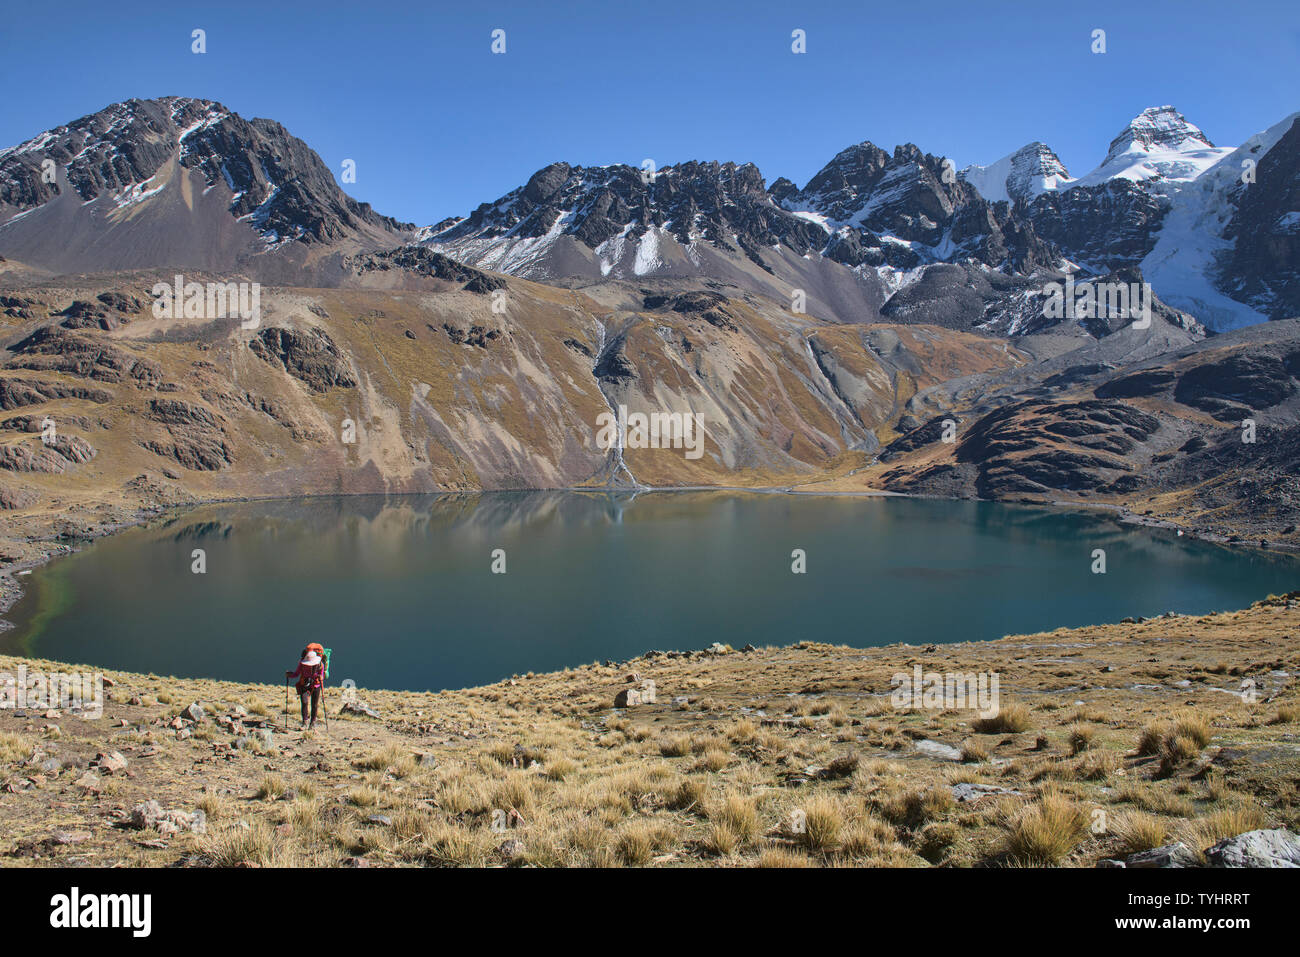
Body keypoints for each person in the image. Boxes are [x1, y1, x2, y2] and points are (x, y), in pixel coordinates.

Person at [286, 648, 325, 729]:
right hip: (304, 684)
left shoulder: (320, 665)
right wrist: (290, 675)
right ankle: (305, 721)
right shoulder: (302, 664)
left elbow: (322, 675)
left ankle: (312, 722)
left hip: (315, 685)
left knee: (314, 704)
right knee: (304, 702)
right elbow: (297, 673)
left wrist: (321, 677)